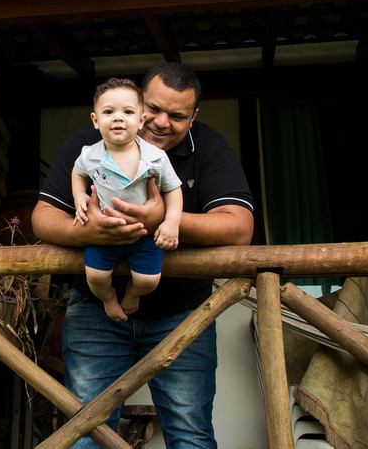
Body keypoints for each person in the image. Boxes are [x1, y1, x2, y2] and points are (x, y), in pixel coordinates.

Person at [33, 62, 254, 449]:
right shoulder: (94, 137)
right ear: (136, 102)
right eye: (153, 109)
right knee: (84, 435)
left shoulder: (210, 146)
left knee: (190, 435)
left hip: (182, 314)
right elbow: (42, 217)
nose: (161, 122)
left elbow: (239, 227)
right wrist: (87, 230)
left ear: (194, 117)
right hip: (95, 310)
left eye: (178, 115)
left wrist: (165, 220)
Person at [71, 77, 184, 322]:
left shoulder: (156, 157)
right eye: (109, 112)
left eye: (128, 112)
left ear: (141, 120)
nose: (118, 117)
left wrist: (171, 222)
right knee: (96, 278)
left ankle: (133, 294)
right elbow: (77, 173)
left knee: (148, 280)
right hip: (103, 235)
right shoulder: (90, 156)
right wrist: (79, 195)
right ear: (96, 120)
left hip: (143, 235)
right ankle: (109, 299)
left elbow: (173, 189)